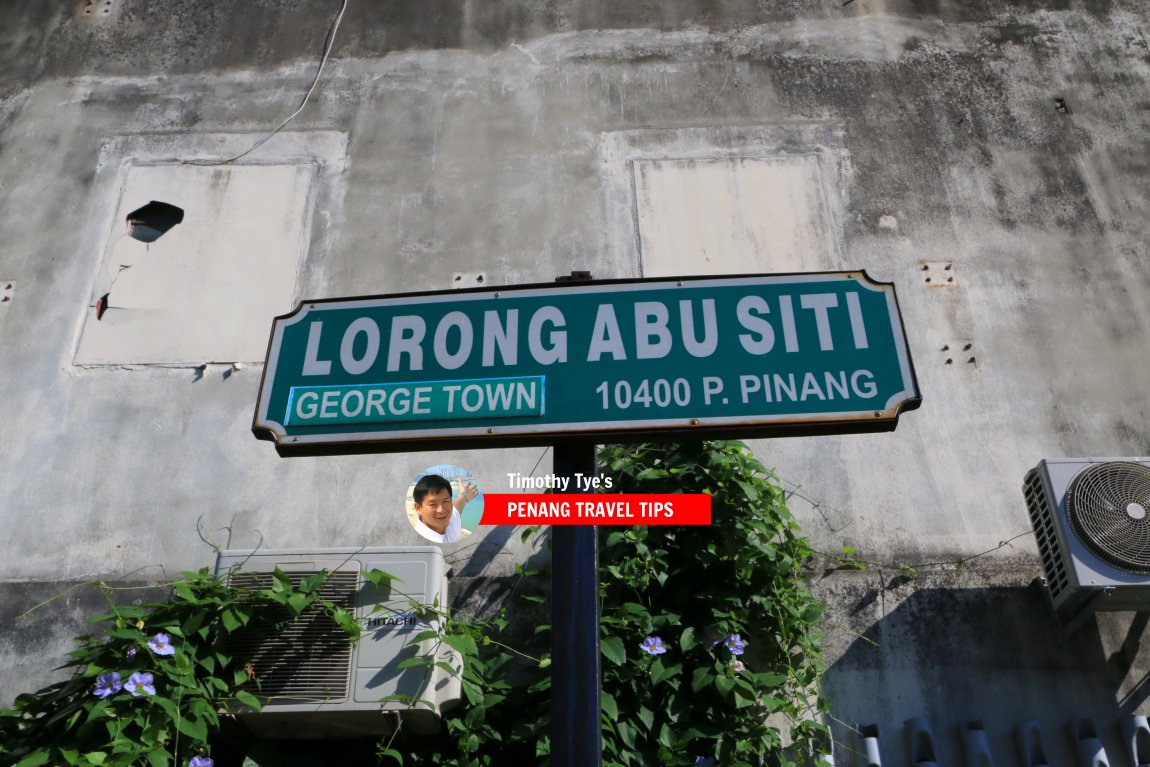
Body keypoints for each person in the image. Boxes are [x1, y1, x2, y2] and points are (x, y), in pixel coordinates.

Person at [411, 474, 477, 544]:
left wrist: (464, 496)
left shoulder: (450, 519)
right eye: (433, 504)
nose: (441, 510)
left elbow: (456, 508)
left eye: (445, 501)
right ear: (418, 508)